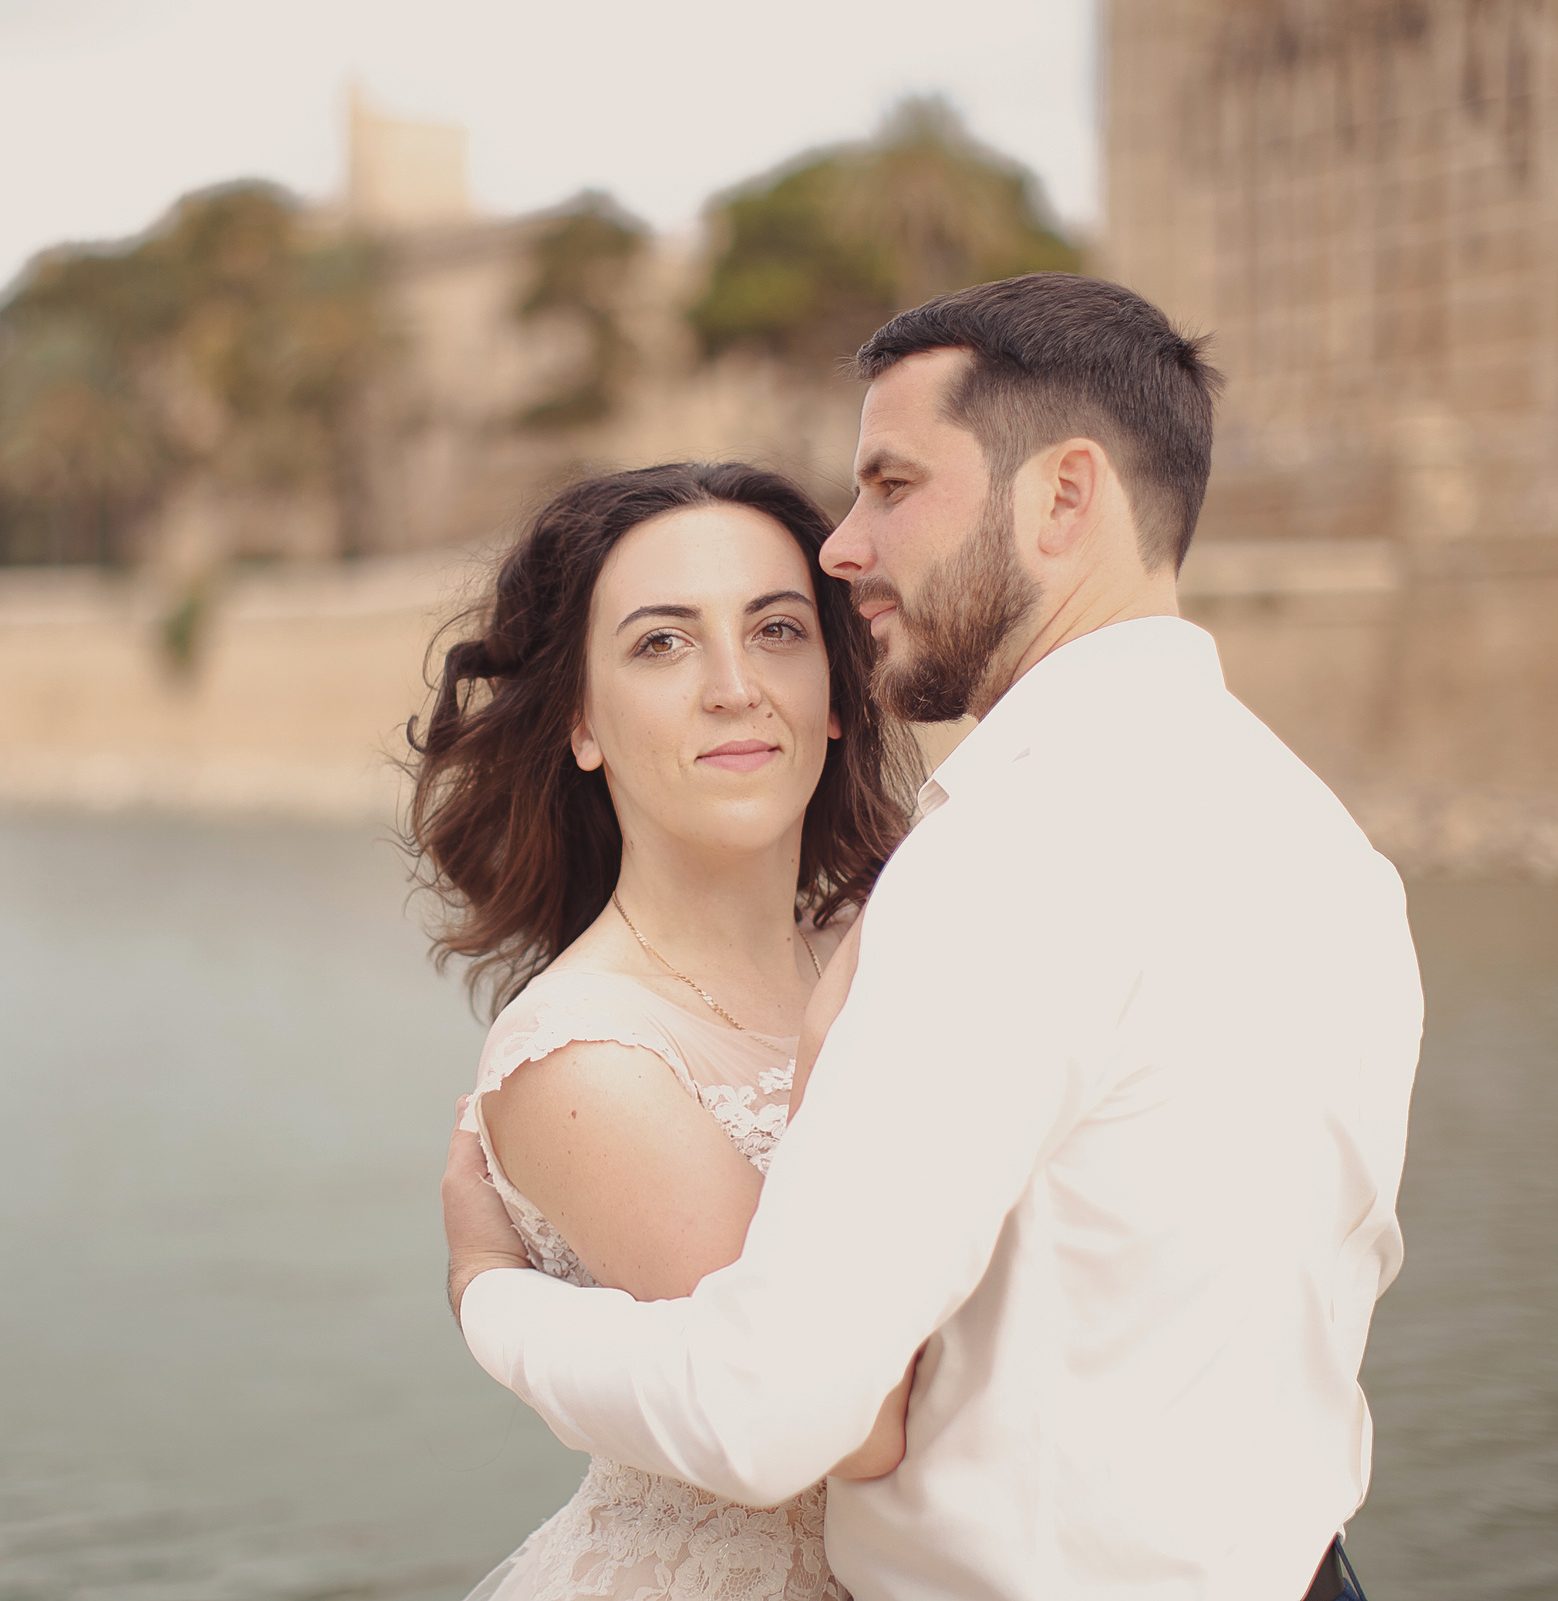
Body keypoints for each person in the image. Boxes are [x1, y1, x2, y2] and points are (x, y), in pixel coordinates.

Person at [441, 273, 1423, 1601]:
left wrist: (490, 1294)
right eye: (663, 642)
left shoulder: (995, 864)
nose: (848, 547)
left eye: (893, 485)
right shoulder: (1327, 848)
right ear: (581, 715)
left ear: (1063, 496)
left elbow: (777, 1409)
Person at [406, 462, 922, 1600]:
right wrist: (486, 1285)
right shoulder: (584, 1057)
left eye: (777, 630)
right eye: (662, 643)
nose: (735, 687)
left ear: (837, 694)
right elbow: (850, 1422)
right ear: (581, 722)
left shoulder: (896, 942)